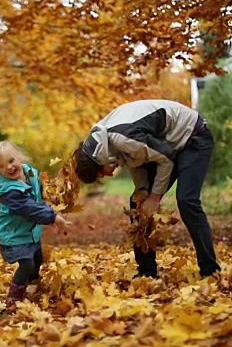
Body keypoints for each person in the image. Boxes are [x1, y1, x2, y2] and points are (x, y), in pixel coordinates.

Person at [73, 99, 221, 279]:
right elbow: (137, 160)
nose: (109, 175)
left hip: (194, 137)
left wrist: (155, 197)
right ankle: (146, 273)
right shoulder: (106, 142)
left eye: (102, 173)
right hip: (170, 146)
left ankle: (210, 271)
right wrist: (142, 189)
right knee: (137, 203)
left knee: (187, 201)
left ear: (101, 160)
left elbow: (166, 158)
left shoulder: (122, 138)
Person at [0, 141, 72, 307]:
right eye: (1, 166)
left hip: (29, 231)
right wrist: (52, 217)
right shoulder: (10, 191)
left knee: (37, 257)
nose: (9, 167)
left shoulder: (30, 173)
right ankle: (14, 297)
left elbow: (38, 195)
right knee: (27, 263)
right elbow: (30, 208)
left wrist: (50, 198)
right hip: (13, 234)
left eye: (11, 161)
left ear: (20, 158)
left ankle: (32, 285)